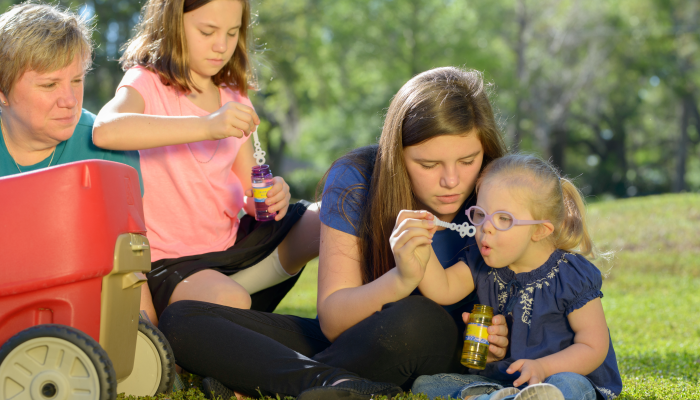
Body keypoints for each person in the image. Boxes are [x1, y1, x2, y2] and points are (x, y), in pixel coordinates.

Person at [157, 66, 511, 400]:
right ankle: (336, 385)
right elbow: (332, 321)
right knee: (184, 318)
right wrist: (401, 279)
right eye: (428, 165)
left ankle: (266, 381)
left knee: (417, 319)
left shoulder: (502, 196)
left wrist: (505, 339)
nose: (451, 181)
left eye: (468, 161)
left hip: (431, 342)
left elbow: (544, 306)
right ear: (396, 157)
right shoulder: (357, 180)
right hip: (353, 340)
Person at [92, 0, 320, 325]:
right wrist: (207, 126)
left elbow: (249, 192)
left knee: (329, 220)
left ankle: (341, 328)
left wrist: (270, 196)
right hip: (171, 263)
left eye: (232, 32)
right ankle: (211, 313)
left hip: (229, 249)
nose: (221, 46)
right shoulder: (147, 81)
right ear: (171, 24)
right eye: (207, 31)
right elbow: (105, 130)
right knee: (231, 300)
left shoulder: (233, 95)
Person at [407, 153, 622, 400]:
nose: (485, 227)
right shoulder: (481, 260)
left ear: (540, 230)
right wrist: (420, 246)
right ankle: (500, 396)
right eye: (480, 214)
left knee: (568, 385)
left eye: (503, 219)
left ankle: (494, 397)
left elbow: (593, 347)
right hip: (504, 379)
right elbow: (442, 289)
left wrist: (543, 368)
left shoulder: (570, 274)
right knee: (426, 384)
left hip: (563, 374)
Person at [0, 2, 140, 183]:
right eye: (49, 85)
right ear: (3, 92)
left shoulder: (111, 151)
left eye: (76, 80)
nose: (70, 100)